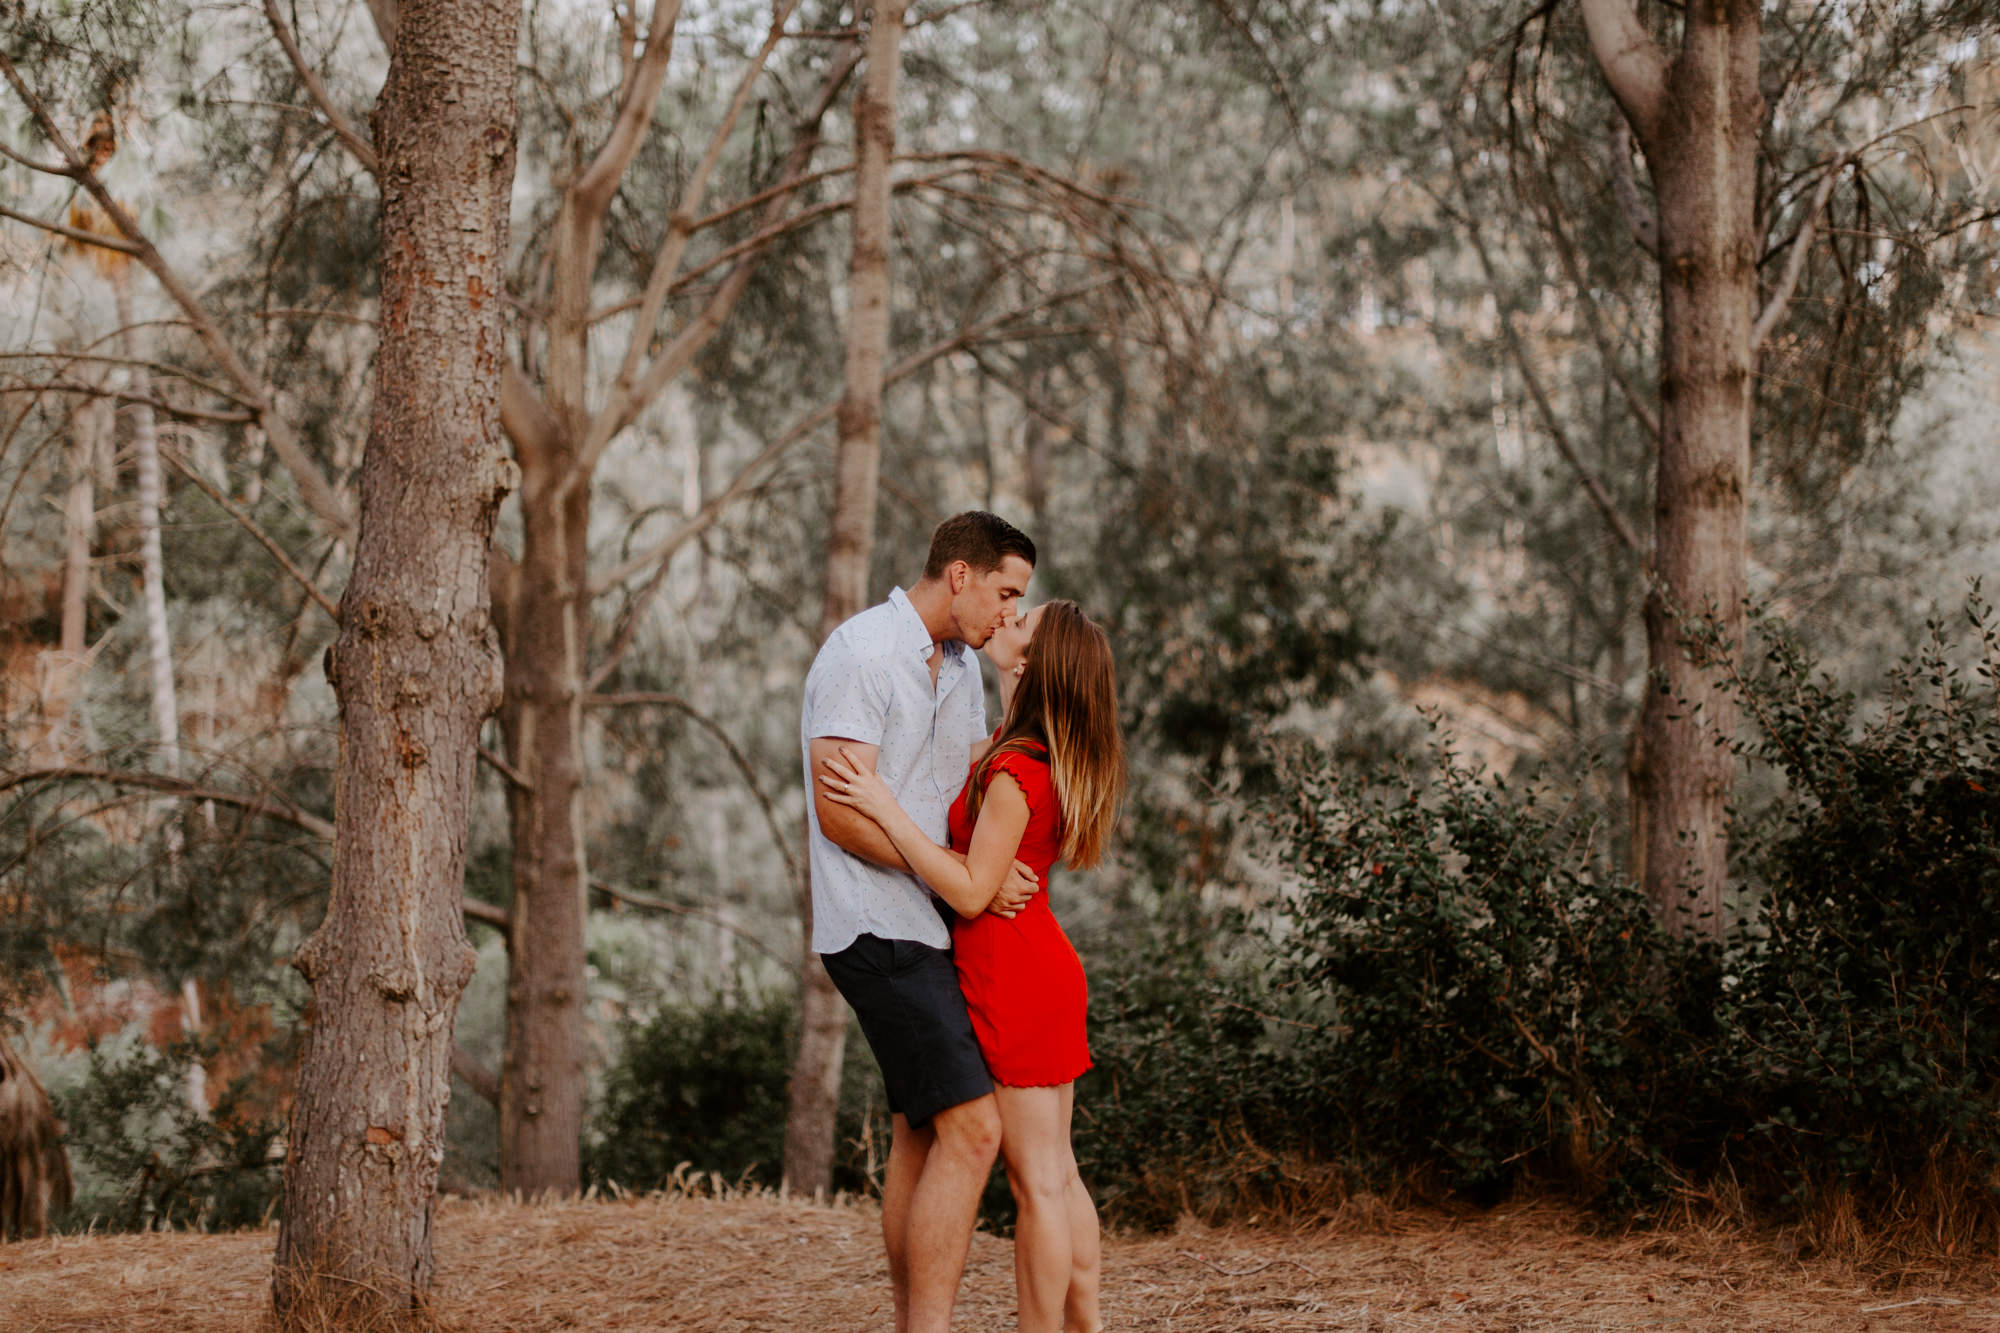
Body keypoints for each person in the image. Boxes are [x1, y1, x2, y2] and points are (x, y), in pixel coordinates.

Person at [821, 598, 1126, 1333]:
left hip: (1016, 976)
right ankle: (1085, 1324)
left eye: (1022, 620)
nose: (1006, 618)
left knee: (1037, 1186)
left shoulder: (1017, 768)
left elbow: (967, 889)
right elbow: (979, 856)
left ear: (1029, 663)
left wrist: (884, 806)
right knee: (1060, 1172)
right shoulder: (1021, 751)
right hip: (1041, 963)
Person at [803, 510, 1041, 1333]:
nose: (1010, 613)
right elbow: (842, 816)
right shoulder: (862, 653)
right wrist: (949, 873)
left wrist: (982, 859)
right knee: (975, 1133)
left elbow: (953, 785)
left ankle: (914, 1320)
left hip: (927, 921)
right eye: (1007, 593)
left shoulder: (958, 668)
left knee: (920, 1134)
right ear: (962, 574)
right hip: (877, 926)